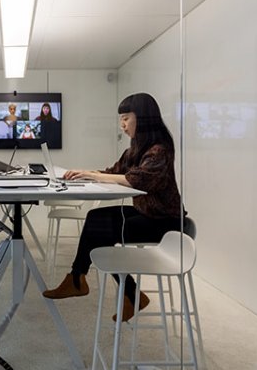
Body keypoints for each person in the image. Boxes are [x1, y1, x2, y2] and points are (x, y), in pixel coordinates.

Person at [42, 93, 186, 322]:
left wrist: (90, 175)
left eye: (126, 118)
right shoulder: (136, 149)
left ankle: (82, 280)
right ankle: (105, 286)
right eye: (121, 119)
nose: (123, 124)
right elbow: (115, 172)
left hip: (165, 223)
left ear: (143, 118)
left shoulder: (159, 150)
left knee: (101, 228)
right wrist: (83, 174)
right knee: (96, 218)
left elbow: (136, 180)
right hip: (147, 214)